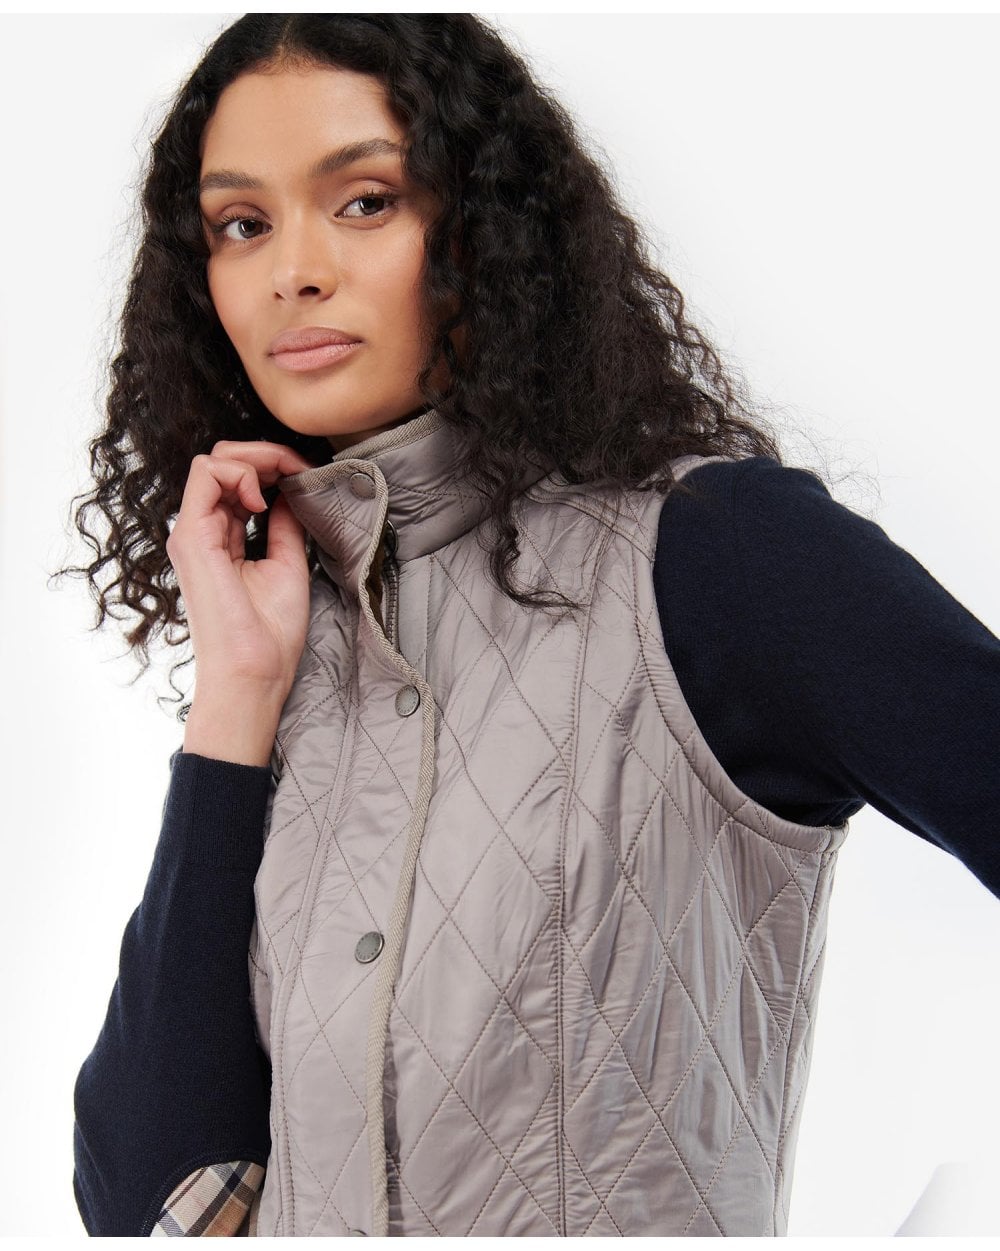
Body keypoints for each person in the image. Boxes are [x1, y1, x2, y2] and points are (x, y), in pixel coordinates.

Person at [65, 13, 999, 1239]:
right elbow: (147, 1202)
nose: (293, 269)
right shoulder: (294, 640)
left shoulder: (709, 557)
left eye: (364, 202)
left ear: (487, 229)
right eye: (242, 224)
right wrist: (234, 700)